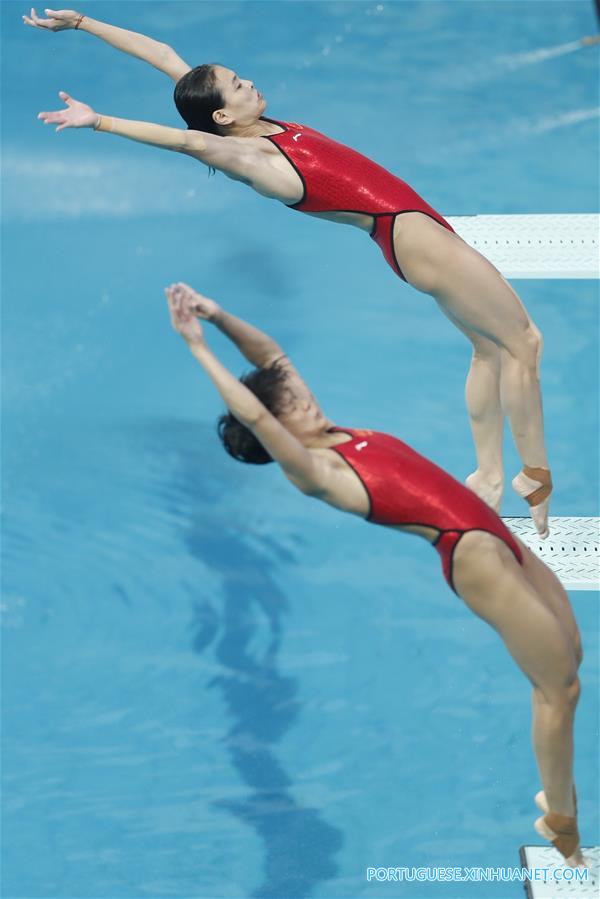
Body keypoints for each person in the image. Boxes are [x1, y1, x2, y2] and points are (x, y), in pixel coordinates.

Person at [25, 7, 553, 536]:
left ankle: (487, 474)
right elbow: (187, 141)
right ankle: (536, 482)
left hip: (416, 234)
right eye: (237, 85)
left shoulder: (243, 120)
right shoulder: (254, 159)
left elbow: (164, 56)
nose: (249, 82)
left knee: (488, 349)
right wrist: (99, 122)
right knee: (524, 343)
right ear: (223, 118)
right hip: (414, 238)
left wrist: (83, 25)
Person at [164, 279, 584, 866]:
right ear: (278, 431)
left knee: (573, 657)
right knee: (557, 690)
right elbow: (257, 413)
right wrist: (197, 347)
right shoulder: (316, 471)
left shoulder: (334, 429)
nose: (303, 402)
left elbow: (272, 359)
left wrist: (217, 314)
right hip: (471, 556)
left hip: (492, 533)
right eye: (290, 411)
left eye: (296, 398)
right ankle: (561, 828)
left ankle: (556, 805)